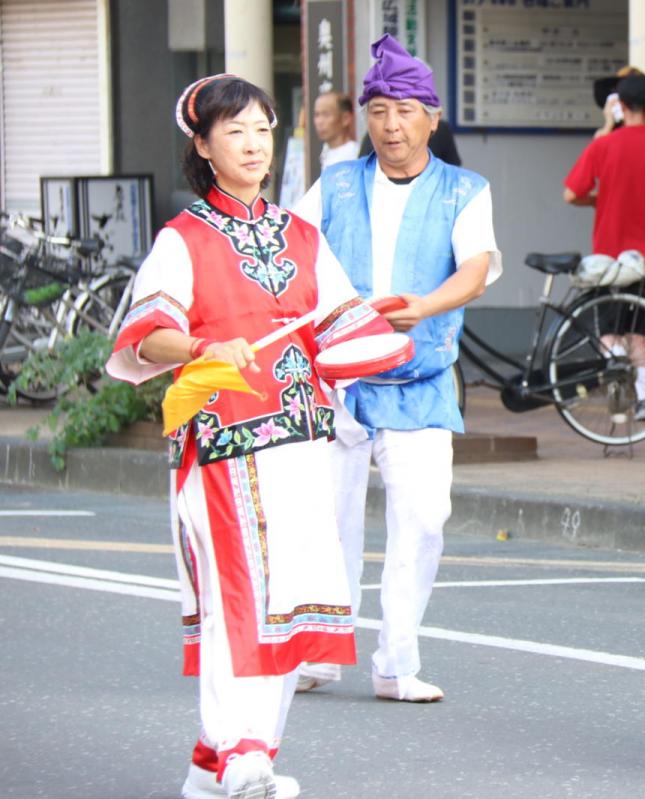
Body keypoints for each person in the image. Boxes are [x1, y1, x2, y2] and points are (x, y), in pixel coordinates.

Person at [106, 74, 393, 799]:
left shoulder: (302, 236)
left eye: (263, 128)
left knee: (289, 601)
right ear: (203, 146)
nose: (254, 143)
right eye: (235, 130)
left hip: (303, 442)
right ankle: (243, 755)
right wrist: (203, 347)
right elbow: (146, 335)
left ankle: (224, 762)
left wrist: (382, 331)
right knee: (241, 595)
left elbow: (342, 326)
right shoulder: (183, 239)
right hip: (223, 445)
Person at [291, 35, 502, 702]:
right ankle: (320, 652)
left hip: (421, 379)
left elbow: (476, 269)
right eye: (379, 110)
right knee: (330, 522)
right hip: (339, 380)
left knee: (423, 518)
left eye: (405, 111)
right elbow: (293, 256)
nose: (391, 125)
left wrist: (425, 307)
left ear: (432, 119)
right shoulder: (336, 183)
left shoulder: (464, 190)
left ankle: (396, 664)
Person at [563, 72, 645, 422]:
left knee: (609, 328)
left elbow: (571, 193)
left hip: (608, 249)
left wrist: (597, 198)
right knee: (639, 327)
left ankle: (616, 388)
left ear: (619, 105)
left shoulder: (604, 145)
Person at [313, 91, 359, 169]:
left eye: (326, 115)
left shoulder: (355, 156)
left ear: (345, 118)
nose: (319, 122)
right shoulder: (326, 151)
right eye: (317, 115)